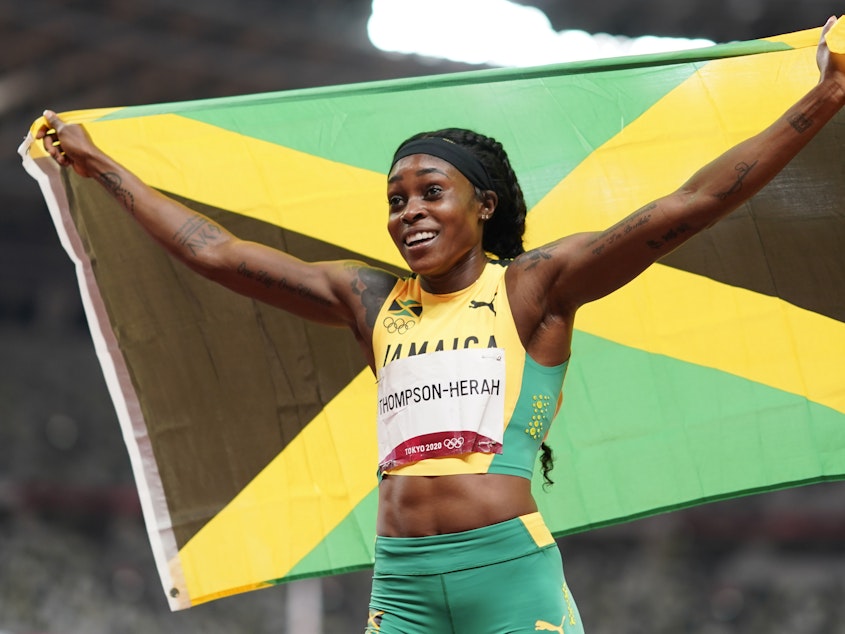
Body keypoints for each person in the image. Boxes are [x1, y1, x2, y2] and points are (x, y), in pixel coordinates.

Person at [37, 17, 845, 633]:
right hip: (402, 583)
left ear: (482, 206)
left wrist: (826, 96)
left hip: (506, 574)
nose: (409, 212)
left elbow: (692, 204)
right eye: (395, 200)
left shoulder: (535, 288)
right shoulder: (368, 301)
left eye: (430, 191)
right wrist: (99, 162)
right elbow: (213, 251)